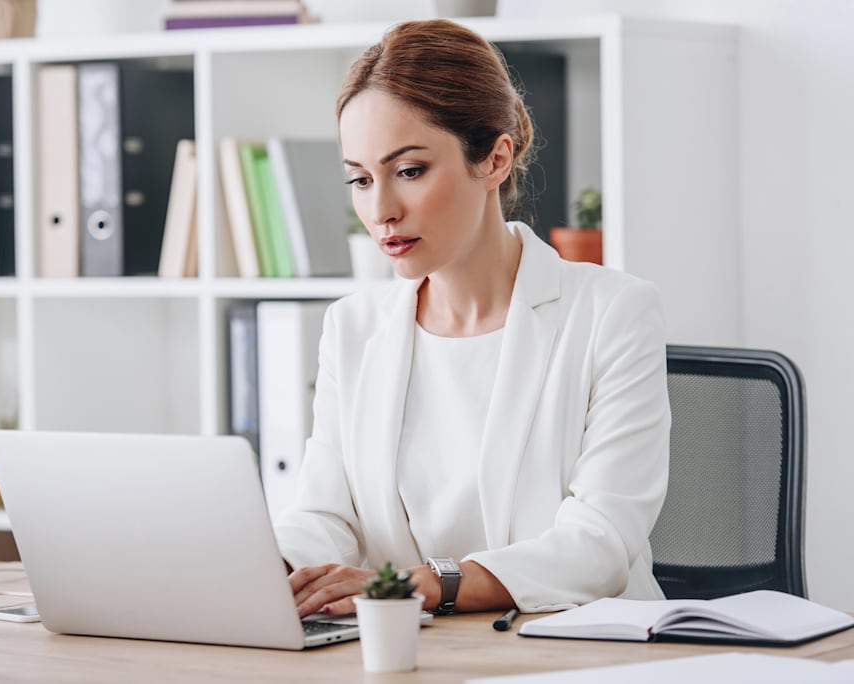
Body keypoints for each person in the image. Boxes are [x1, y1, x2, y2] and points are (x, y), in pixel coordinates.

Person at [274, 19, 671, 618]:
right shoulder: (352, 328)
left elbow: (600, 545)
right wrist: (276, 572)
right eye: (360, 179)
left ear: (494, 159)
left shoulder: (612, 314)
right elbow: (326, 516)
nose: (379, 210)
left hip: (574, 653)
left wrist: (430, 583)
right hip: (412, 654)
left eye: (408, 171)